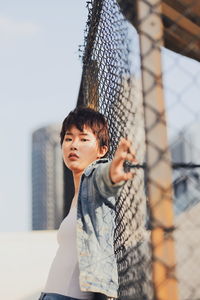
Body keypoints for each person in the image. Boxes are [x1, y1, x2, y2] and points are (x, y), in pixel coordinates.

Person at [38, 107, 137, 300]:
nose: (74, 145)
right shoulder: (77, 196)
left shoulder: (93, 180)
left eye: (83, 139)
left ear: (102, 150)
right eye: (68, 138)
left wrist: (112, 174)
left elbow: (102, 177)